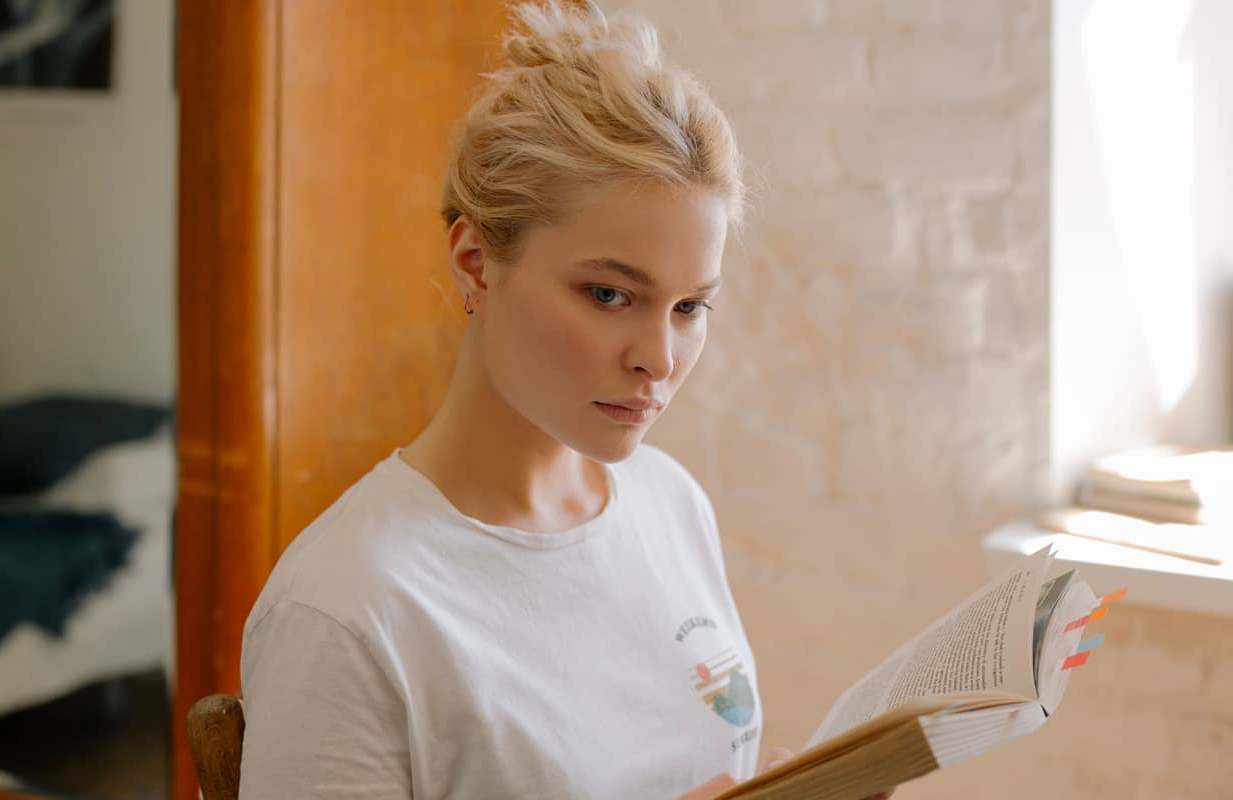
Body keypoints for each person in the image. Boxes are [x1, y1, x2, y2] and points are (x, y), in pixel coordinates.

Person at [237, 2, 892, 798]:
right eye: (612, 294)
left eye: (690, 307)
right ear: (476, 262)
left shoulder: (670, 506)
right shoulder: (347, 609)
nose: (659, 358)